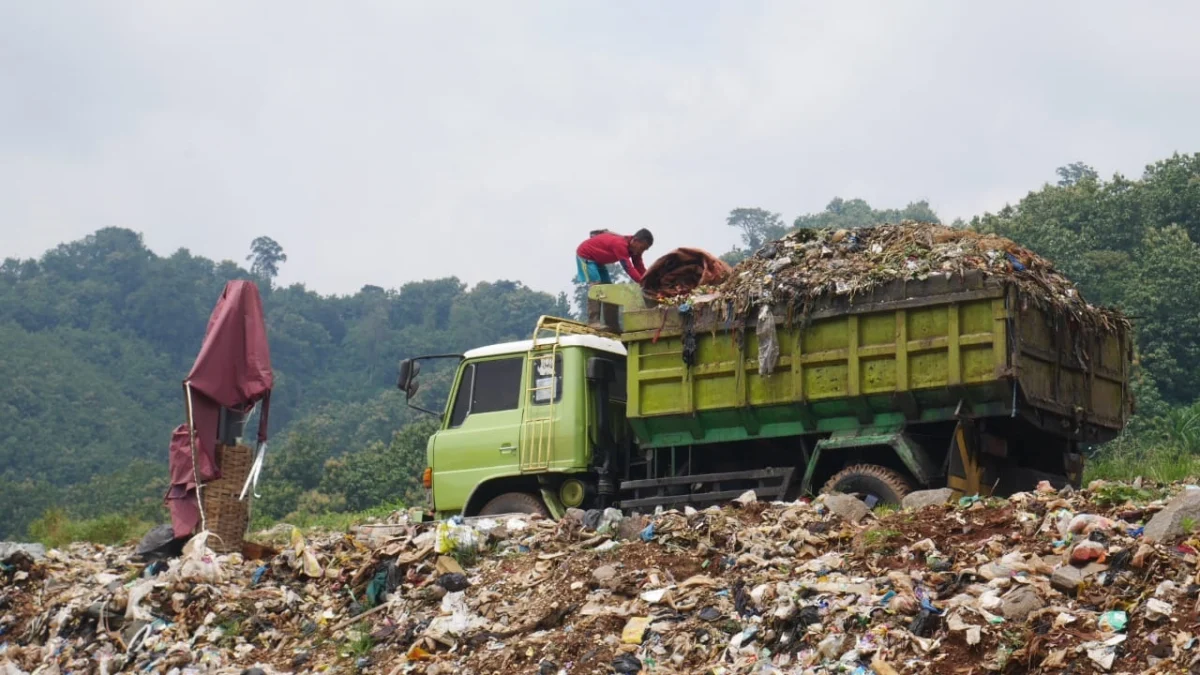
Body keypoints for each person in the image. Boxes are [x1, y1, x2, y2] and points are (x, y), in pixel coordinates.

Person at [575, 228, 654, 285]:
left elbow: (639, 266)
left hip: (598, 260)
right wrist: (642, 283)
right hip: (585, 256)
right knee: (596, 283)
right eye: (642, 248)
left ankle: (606, 308)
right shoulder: (620, 245)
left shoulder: (635, 250)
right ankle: (593, 307)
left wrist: (649, 279)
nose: (641, 251)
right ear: (635, 240)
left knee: (607, 286)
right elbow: (628, 268)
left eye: (644, 250)